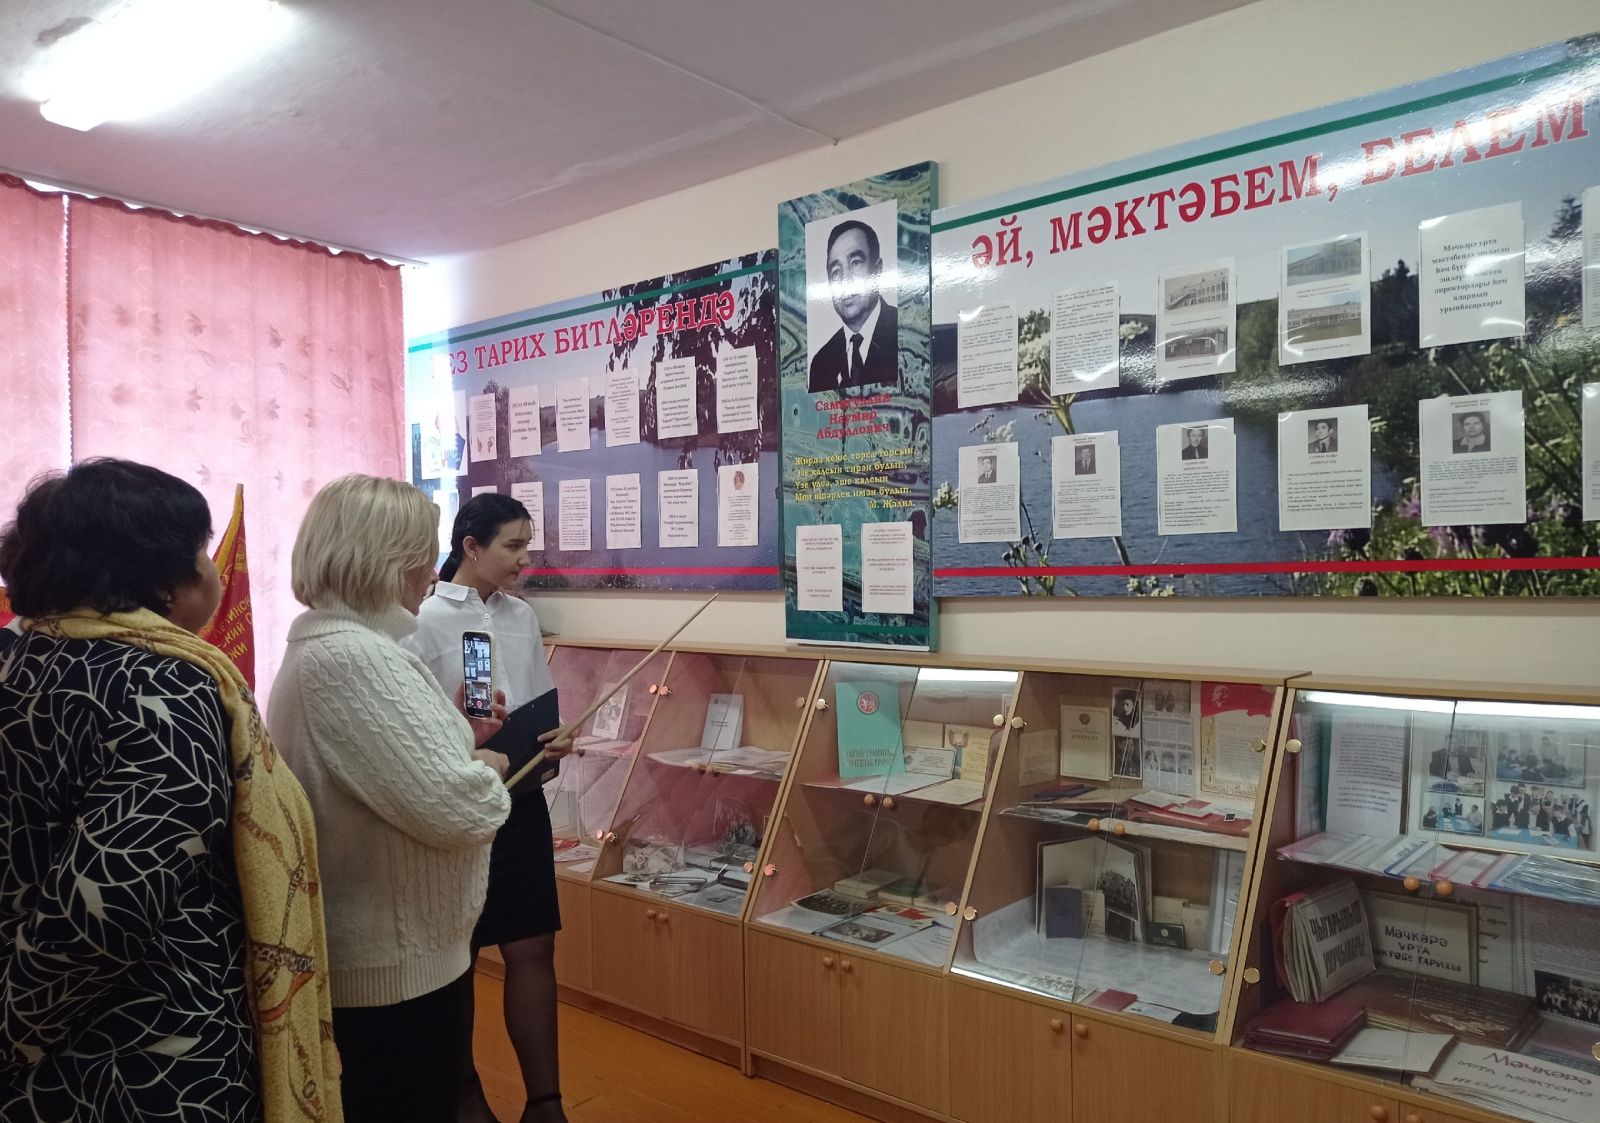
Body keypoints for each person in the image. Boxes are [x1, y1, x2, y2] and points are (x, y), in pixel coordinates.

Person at [0, 459, 340, 1123]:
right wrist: (17, 1030)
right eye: (201, 550)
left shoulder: (22, 657)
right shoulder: (162, 686)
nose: (214, 569)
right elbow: (108, 904)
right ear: (160, 577)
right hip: (144, 1053)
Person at [269, 475, 513, 1123]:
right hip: (394, 968)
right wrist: (488, 766)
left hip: (388, 959)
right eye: (421, 556)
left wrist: (460, 738)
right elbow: (461, 806)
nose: (429, 573)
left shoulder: (337, 646)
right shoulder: (355, 658)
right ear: (384, 561)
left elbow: (391, 774)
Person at [404, 495, 572, 1123]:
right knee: (460, 957)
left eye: (528, 545)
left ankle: (546, 1103)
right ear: (471, 547)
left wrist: (556, 739)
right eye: (513, 546)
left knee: (533, 946)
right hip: (457, 803)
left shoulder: (520, 614)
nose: (525, 559)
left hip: (520, 801)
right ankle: (464, 1095)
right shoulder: (424, 618)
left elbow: (536, 698)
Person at [807, 219, 899, 392]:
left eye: (855, 262)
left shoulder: (905, 335)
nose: (845, 281)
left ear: (877, 270)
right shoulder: (821, 363)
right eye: (836, 272)